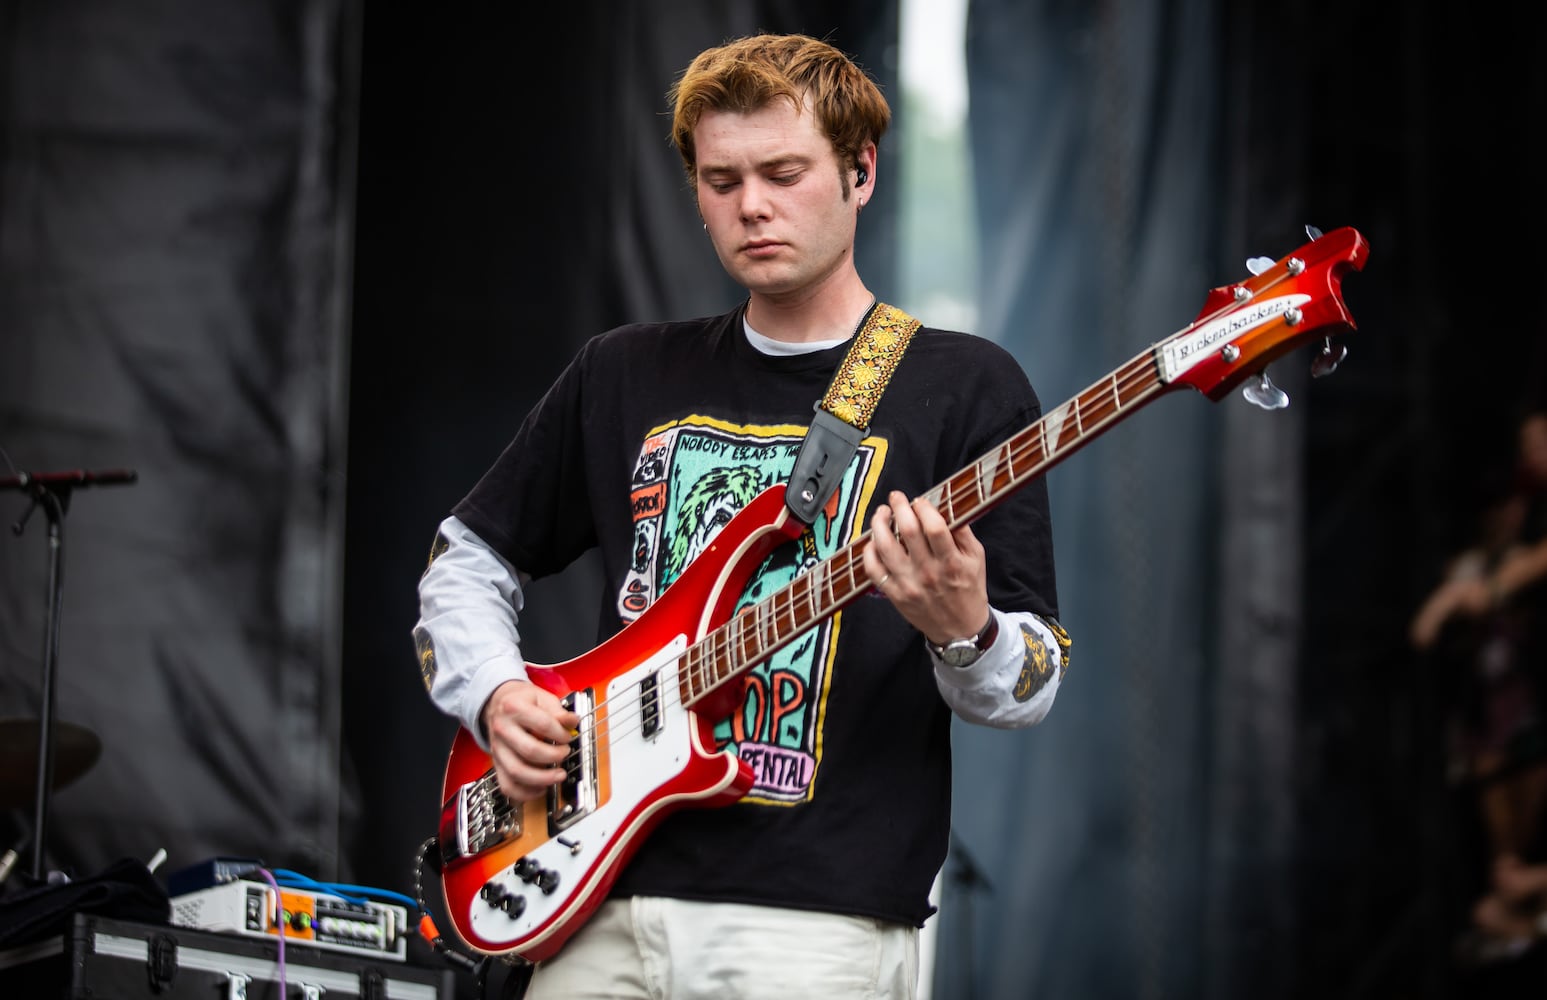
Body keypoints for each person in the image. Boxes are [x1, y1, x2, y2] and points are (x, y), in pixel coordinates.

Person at [413, 33, 1071, 1000]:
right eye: (721, 180)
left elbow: (1031, 687)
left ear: (860, 171)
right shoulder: (623, 369)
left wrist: (964, 631)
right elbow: (465, 558)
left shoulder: (965, 385)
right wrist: (495, 695)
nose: (752, 205)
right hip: (593, 898)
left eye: (783, 172)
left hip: (815, 925)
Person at [1410, 410, 1547, 959]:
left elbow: (1521, 571)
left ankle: (1519, 891)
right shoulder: (1510, 534)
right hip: (1504, 697)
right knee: (1494, 761)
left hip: (1517, 694)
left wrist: (1456, 600)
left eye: (1539, 441)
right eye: (1527, 443)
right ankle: (1514, 883)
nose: (1531, 452)